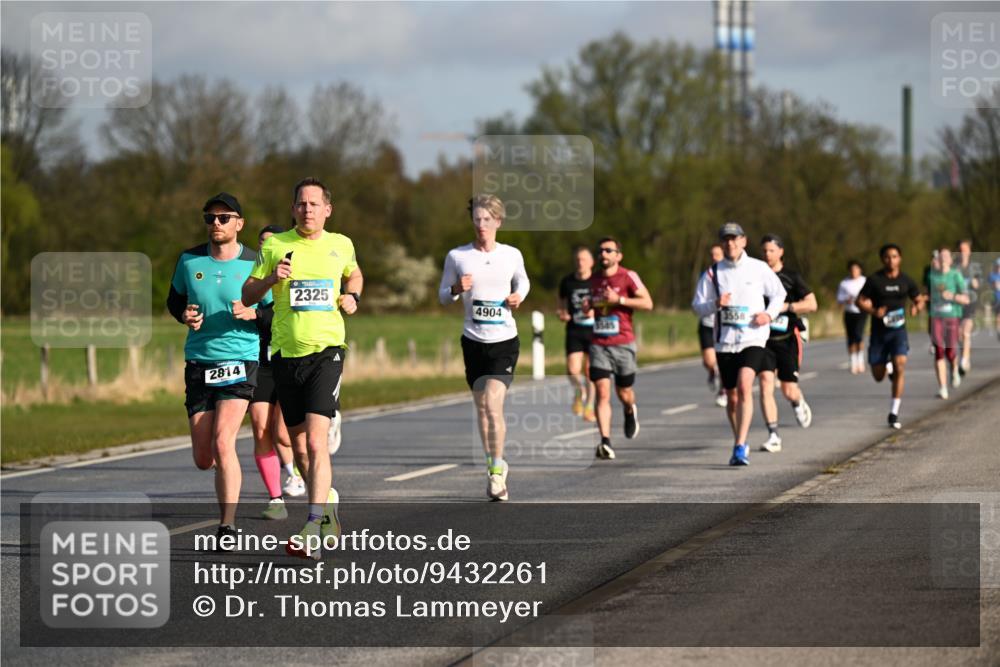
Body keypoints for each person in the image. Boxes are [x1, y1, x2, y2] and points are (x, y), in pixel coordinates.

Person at [243, 177, 363, 559]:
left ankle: (312, 524)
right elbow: (247, 293)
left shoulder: (340, 244)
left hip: (326, 351)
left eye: (314, 203)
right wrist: (269, 281)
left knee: (315, 442)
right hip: (284, 355)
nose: (307, 209)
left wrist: (352, 295)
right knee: (298, 449)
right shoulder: (276, 246)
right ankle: (327, 505)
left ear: (327, 209)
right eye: (301, 204)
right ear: (293, 209)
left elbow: (354, 273)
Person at [167, 192, 268, 547]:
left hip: (240, 360)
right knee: (203, 456)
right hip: (199, 361)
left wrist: (254, 313)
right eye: (210, 218)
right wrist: (184, 315)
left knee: (224, 442)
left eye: (224, 218)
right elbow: (175, 299)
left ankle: (227, 526)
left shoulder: (256, 264)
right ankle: (223, 475)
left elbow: (274, 312)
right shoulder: (188, 259)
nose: (216, 224)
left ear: (240, 223)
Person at [439, 194, 529, 501]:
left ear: (498, 222)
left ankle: (494, 470)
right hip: (473, 340)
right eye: (477, 219)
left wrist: (519, 297)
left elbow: (523, 282)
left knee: (493, 404)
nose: (481, 225)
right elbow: (442, 295)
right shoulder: (458, 256)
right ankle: (496, 462)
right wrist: (455, 289)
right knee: (481, 407)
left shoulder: (511, 255)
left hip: (504, 341)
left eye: (487, 219)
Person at [692, 222, 785, 466]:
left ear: (743, 241)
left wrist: (769, 314)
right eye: (726, 239)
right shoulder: (713, 273)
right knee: (732, 398)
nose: (730, 243)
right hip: (724, 344)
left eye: (735, 239)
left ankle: (739, 446)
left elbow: (779, 294)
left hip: (753, 338)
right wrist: (715, 304)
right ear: (722, 243)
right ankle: (740, 441)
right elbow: (696, 307)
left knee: (745, 386)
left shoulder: (758, 267)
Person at [251, 225, 305, 522]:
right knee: (261, 428)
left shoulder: (292, 280)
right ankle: (276, 497)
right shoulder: (254, 283)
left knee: (283, 434)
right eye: (262, 245)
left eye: (271, 244)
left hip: (288, 360)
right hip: (261, 365)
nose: (266, 249)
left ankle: (297, 470)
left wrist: (257, 315)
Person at [582, 237, 654, 460]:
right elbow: (592, 307)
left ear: (618, 255)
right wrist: (588, 307)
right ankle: (605, 441)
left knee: (623, 392)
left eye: (608, 250)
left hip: (623, 343)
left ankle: (629, 409)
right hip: (599, 344)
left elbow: (648, 303)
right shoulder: (592, 280)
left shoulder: (628, 276)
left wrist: (619, 300)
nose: (603, 254)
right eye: (600, 250)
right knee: (602, 392)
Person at [757, 234, 817, 453]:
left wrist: (787, 308)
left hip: (787, 340)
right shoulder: (756, 275)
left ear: (780, 252)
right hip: (763, 341)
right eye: (764, 251)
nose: (767, 254)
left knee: (788, 390)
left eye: (771, 250)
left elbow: (812, 304)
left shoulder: (791, 276)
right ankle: (773, 435)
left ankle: (797, 401)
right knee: (765, 384)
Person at [856, 243, 925, 429]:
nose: (891, 260)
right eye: (887, 257)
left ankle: (894, 412)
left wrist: (916, 307)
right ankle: (886, 365)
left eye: (894, 256)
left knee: (900, 365)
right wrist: (873, 311)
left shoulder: (906, 281)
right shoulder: (874, 280)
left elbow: (919, 300)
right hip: (879, 333)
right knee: (878, 376)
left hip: (898, 331)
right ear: (882, 259)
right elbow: (859, 300)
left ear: (900, 258)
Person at [557, 245, 596, 422]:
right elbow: (561, 304)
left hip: (594, 330)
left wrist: (596, 312)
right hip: (574, 329)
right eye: (578, 260)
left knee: (590, 372)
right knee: (572, 370)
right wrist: (562, 313)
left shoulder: (597, 281)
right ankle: (580, 392)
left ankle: (589, 407)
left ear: (592, 262)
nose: (580, 263)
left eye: (584, 259)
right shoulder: (567, 282)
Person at [926, 246, 969, 399]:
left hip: (952, 316)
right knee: (939, 351)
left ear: (951, 260)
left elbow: (966, 299)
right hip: (936, 317)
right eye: (941, 256)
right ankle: (943, 387)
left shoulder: (955, 275)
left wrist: (952, 296)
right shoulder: (931, 276)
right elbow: (926, 293)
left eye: (946, 256)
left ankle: (955, 368)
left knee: (950, 352)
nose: (943, 258)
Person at [696, 244, 728, 407]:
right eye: (712, 254)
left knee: (722, 360)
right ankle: (712, 371)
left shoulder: (729, 274)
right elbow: (698, 302)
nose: (714, 257)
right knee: (709, 360)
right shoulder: (706, 275)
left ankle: (723, 390)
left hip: (724, 325)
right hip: (707, 323)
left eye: (717, 254)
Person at [956, 240, 982, 374]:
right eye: (960, 250)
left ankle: (964, 360)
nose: (962, 252)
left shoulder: (975, 267)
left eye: (965, 250)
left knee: (966, 332)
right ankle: (965, 353)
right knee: (959, 335)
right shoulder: (954, 267)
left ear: (969, 251)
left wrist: (974, 281)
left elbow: (978, 285)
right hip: (957, 305)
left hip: (970, 305)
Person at [836, 260, 868, 374]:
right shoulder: (844, 283)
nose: (854, 272)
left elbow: (870, 296)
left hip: (861, 312)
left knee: (859, 335)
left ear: (860, 270)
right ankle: (853, 362)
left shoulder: (864, 281)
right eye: (852, 270)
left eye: (856, 269)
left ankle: (860, 360)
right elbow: (839, 299)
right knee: (851, 338)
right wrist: (846, 300)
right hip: (849, 312)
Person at [991, 258, 1000, 341]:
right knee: (998, 316)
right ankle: (998, 331)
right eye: (998, 266)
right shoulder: (993, 275)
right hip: (996, 299)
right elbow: (996, 286)